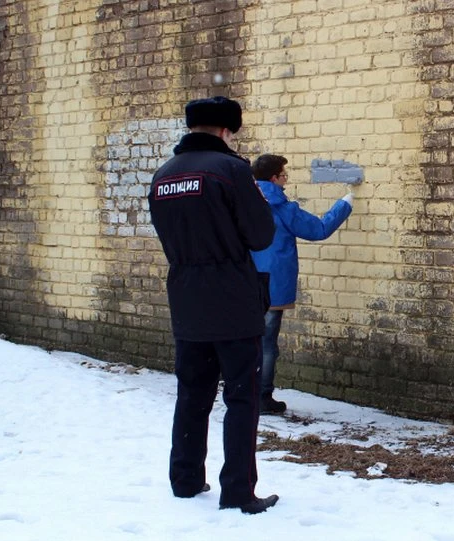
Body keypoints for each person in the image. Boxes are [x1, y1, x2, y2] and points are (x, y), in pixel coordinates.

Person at [148, 96, 280, 514]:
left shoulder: (163, 176)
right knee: (241, 397)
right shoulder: (231, 170)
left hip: (186, 295)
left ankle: (185, 479)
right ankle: (238, 490)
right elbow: (260, 234)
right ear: (226, 130)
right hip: (233, 298)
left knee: (192, 393)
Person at [249, 154, 353, 414]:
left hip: (244, 281)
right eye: (284, 175)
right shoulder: (282, 208)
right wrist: (345, 203)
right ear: (274, 178)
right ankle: (261, 397)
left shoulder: (240, 202)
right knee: (267, 343)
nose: (286, 180)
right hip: (272, 284)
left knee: (245, 340)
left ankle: (243, 393)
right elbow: (319, 229)